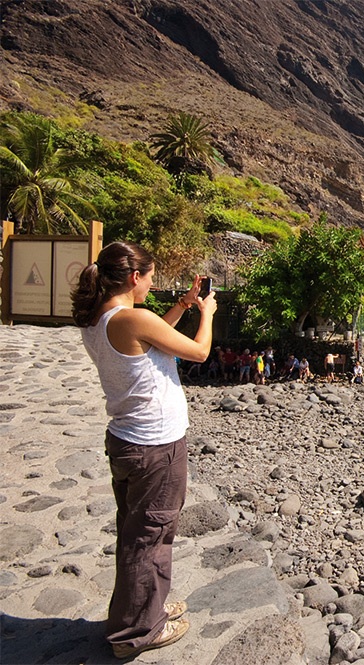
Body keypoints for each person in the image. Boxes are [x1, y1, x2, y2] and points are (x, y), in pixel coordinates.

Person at [71, 242, 216, 659]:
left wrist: (184, 305)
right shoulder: (135, 319)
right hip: (156, 446)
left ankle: (143, 609)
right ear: (134, 278)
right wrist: (204, 315)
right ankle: (137, 630)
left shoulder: (101, 317)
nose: (152, 285)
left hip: (128, 440)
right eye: (150, 277)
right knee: (150, 536)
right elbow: (199, 352)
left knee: (137, 531)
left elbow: (150, 339)